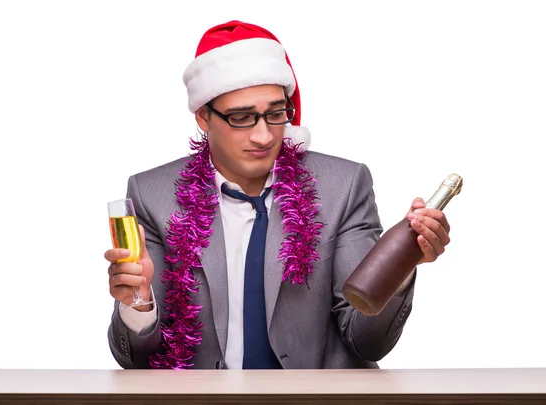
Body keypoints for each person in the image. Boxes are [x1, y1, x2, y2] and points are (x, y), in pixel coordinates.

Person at [104, 20, 452, 370]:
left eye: (275, 114)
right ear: (204, 117)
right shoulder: (152, 195)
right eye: (242, 117)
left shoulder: (343, 187)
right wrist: (138, 301)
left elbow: (366, 342)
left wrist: (399, 265)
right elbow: (137, 360)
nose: (263, 136)